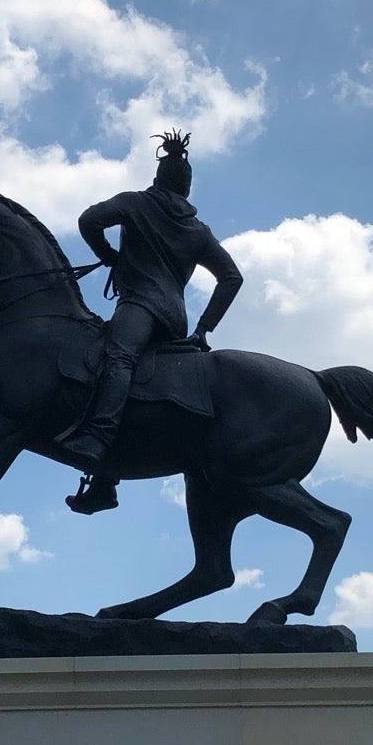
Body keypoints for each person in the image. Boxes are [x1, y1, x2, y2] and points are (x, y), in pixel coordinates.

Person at [58, 131, 242, 514]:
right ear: (187, 188)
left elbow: (89, 220)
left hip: (140, 305)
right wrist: (204, 328)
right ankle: (104, 484)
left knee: (118, 357)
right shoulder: (198, 230)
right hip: (175, 318)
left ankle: (97, 438)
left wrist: (109, 255)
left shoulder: (135, 203)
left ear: (158, 178)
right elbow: (231, 277)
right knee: (138, 378)